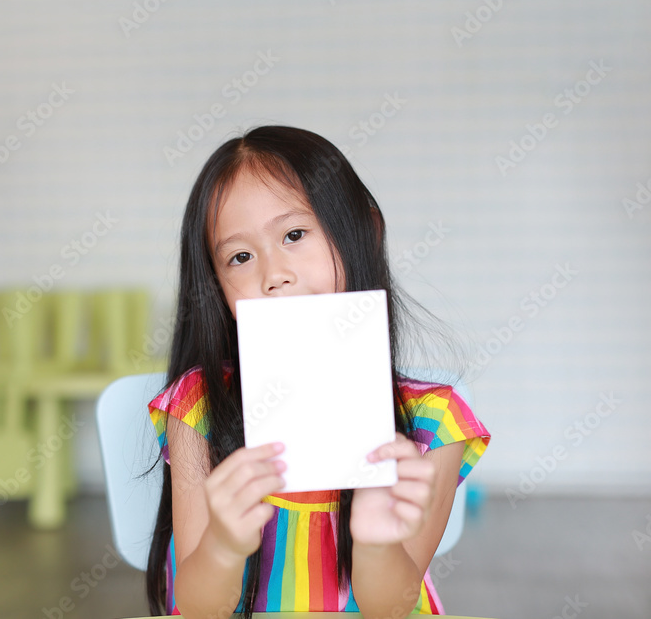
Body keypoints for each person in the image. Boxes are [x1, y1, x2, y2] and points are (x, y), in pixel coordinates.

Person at [145, 125, 491, 619]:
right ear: (215, 285)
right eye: (240, 257)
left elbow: (389, 608)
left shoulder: (435, 422)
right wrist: (222, 545)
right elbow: (199, 611)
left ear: (364, 231)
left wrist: (374, 541)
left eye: (294, 235)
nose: (273, 274)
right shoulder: (196, 404)